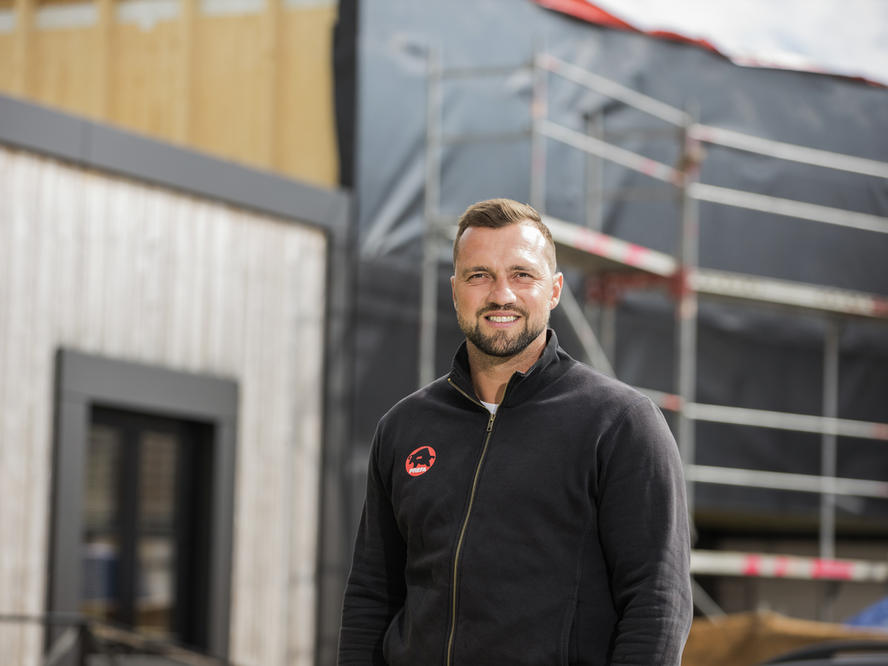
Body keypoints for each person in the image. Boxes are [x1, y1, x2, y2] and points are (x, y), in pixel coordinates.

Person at [339, 198, 693, 666]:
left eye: (522, 274)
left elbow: (658, 601)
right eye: (478, 275)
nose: (500, 294)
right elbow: (371, 594)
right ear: (455, 290)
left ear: (554, 290)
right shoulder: (404, 428)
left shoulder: (621, 424)